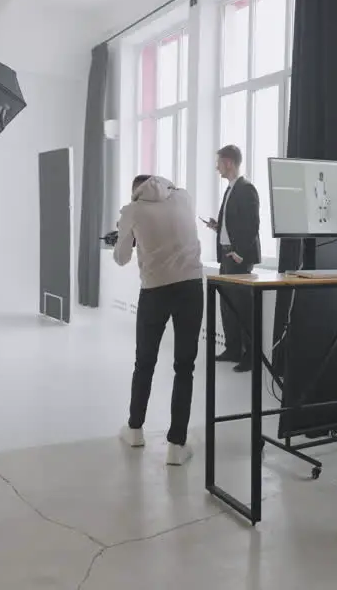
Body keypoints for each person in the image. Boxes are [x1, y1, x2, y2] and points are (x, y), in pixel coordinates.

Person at [114, 174, 204, 466]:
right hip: (191, 285)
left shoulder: (133, 210)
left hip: (155, 290)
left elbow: (121, 257)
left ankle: (135, 429)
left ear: (135, 191)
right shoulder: (183, 196)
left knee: (145, 363)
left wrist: (124, 231)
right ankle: (177, 446)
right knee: (185, 366)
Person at [203, 145, 260, 372]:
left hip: (239, 258)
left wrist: (240, 253)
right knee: (228, 305)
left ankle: (250, 355)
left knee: (243, 307)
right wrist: (218, 227)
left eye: (218, 163)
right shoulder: (230, 189)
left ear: (228, 162)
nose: (217, 168)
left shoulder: (247, 189)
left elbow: (252, 226)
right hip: (227, 255)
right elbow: (235, 224)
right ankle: (233, 348)